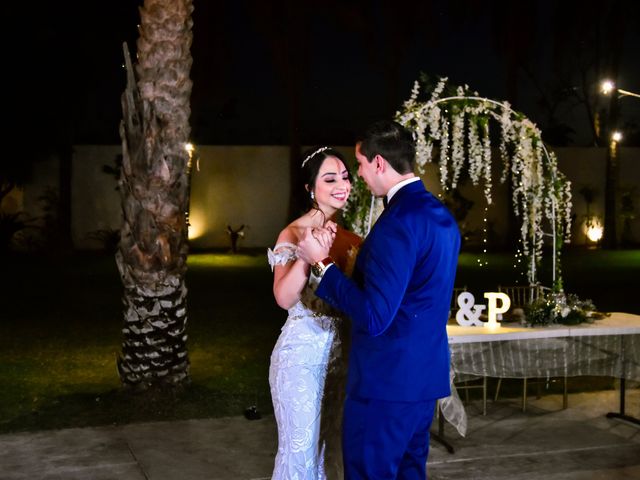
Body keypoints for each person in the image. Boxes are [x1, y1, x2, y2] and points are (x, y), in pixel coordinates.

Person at [297, 120, 461, 479]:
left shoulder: (398, 222)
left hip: (385, 386)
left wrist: (322, 266)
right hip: (422, 381)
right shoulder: (441, 217)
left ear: (379, 164)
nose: (358, 174)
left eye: (359, 164)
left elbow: (374, 316)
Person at [267, 146, 362, 480]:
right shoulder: (293, 233)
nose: (342, 185)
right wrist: (308, 257)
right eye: (330, 178)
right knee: (302, 451)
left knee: (332, 452)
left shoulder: (352, 238)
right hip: (301, 358)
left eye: (347, 177)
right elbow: (283, 296)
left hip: (342, 361)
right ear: (310, 188)